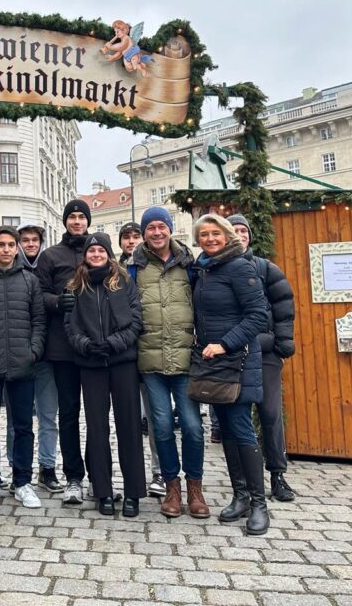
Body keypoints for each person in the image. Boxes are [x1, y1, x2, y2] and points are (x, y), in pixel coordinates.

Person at [189, 213, 270, 535]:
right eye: (204, 235)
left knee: (241, 428)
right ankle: (241, 496)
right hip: (214, 362)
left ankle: (259, 504)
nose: (210, 239)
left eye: (215, 233)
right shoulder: (205, 269)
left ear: (226, 236)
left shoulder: (239, 266)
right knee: (226, 428)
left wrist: (225, 344)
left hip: (238, 360)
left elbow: (258, 315)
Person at [128, 207, 209, 519]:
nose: (157, 232)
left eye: (161, 226)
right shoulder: (134, 267)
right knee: (161, 427)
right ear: (144, 233)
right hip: (151, 361)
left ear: (170, 229)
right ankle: (172, 486)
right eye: (151, 228)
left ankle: (195, 488)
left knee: (192, 427)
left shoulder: (189, 264)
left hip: (186, 359)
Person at [65, 233, 145, 517]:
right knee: (97, 428)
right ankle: (103, 491)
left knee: (129, 427)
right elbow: (70, 325)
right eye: (92, 251)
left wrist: (114, 343)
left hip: (122, 361)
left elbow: (136, 320)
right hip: (91, 364)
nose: (96, 254)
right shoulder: (76, 285)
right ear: (85, 255)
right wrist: (86, 345)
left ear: (108, 254)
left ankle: (133, 492)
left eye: (101, 250)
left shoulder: (123, 281)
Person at [0, 226, 47, 510]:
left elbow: (38, 320)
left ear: (17, 249)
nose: (6, 249)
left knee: (23, 426)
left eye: (10, 245)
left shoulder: (29, 280)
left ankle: (22, 481)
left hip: (22, 363)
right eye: (1, 244)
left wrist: (33, 351)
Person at [227, 214, 296, 503]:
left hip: (265, 351)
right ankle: (244, 481)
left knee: (269, 412)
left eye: (244, 230)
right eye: (234, 230)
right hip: (232, 352)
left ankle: (278, 474)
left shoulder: (265, 268)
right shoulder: (218, 268)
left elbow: (283, 306)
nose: (240, 235)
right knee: (236, 417)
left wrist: (281, 344)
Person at [36, 199, 91, 505]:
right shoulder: (51, 256)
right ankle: (73, 475)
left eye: (82, 216)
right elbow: (39, 294)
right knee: (68, 414)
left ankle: (99, 473)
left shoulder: (97, 251)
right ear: (65, 221)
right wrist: (57, 302)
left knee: (96, 416)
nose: (77, 221)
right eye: (72, 216)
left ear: (88, 221)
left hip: (94, 345)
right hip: (63, 348)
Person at [8, 221, 61, 493]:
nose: (30, 244)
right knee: (16, 420)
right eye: (25, 240)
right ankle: (16, 468)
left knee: (48, 415)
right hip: (15, 356)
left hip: (45, 354)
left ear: (41, 243)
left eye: (34, 240)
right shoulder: (9, 267)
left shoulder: (48, 266)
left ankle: (47, 467)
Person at [118, 220, 164, 497]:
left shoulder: (151, 266)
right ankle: (133, 474)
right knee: (129, 418)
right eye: (126, 237)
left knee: (156, 417)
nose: (131, 241)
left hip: (149, 349)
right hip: (124, 353)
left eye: (136, 236)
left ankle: (159, 471)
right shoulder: (114, 270)